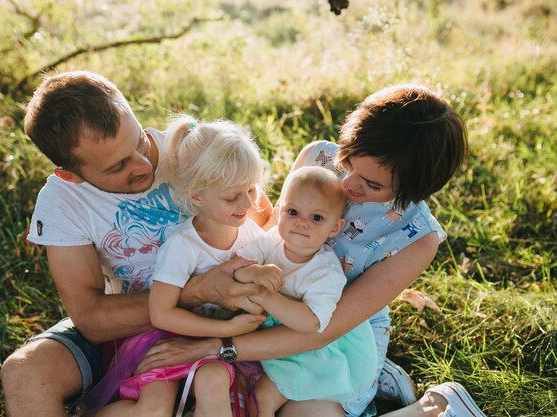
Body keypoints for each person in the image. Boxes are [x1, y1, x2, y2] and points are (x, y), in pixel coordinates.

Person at [133, 85, 487, 417]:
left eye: (372, 184)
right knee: (232, 399)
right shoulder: (318, 157)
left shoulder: (417, 237)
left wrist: (218, 346)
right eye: (348, 161)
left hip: (337, 337)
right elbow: (273, 237)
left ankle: (434, 408)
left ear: (413, 190)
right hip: (271, 304)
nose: (347, 184)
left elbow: (326, 327)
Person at [0, 71, 270, 417]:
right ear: (71, 175)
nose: (144, 165)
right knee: (24, 372)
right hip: (132, 327)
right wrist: (194, 291)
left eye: (140, 141)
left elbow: (265, 222)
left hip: (230, 319)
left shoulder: (190, 150)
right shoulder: (62, 201)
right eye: (119, 165)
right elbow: (92, 319)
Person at [83, 115, 274, 417]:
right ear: (196, 196)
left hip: (222, 342)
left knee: (224, 392)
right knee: (152, 408)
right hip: (169, 337)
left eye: (251, 190)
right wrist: (225, 329)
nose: (247, 204)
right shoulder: (183, 245)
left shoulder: (252, 234)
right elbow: (161, 314)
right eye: (231, 196)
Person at [235, 166, 377, 417]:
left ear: (335, 228)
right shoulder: (271, 241)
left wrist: (265, 296)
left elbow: (311, 323)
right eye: (293, 212)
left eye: (316, 218)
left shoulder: (325, 272)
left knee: (262, 399)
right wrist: (253, 274)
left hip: (315, 351)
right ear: (279, 212)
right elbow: (237, 268)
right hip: (274, 336)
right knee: (242, 388)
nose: (301, 223)